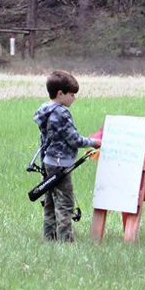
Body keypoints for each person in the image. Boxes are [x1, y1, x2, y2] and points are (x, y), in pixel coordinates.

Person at [33, 70, 101, 242]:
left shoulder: (44, 110)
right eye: (72, 94)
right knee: (65, 202)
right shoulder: (61, 112)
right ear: (60, 93)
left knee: (50, 201)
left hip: (48, 161)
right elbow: (74, 140)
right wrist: (94, 142)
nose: (74, 98)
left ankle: (49, 236)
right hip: (61, 163)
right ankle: (66, 240)